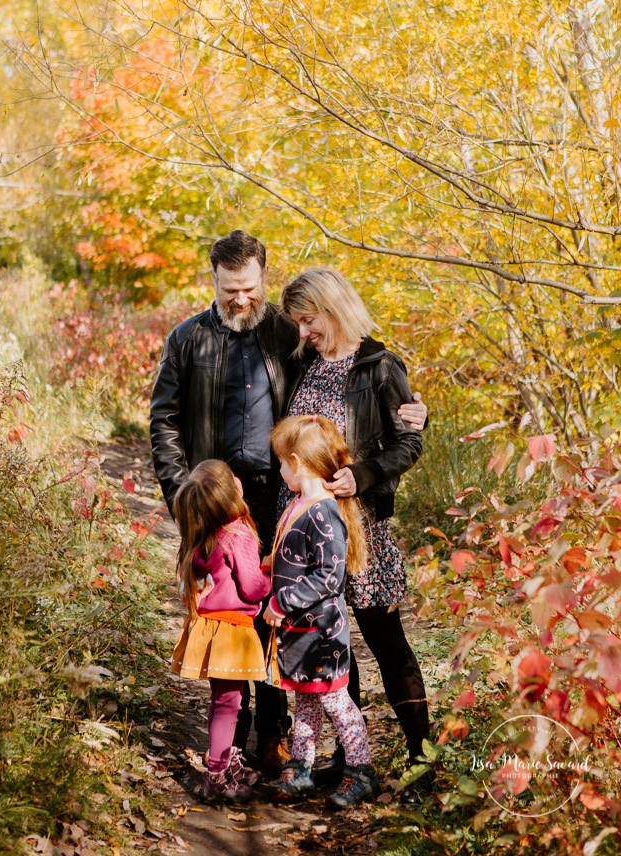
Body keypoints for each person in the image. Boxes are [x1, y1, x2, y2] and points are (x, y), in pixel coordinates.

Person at [150, 230, 427, 769]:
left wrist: (413, 416)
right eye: (230, 289)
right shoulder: (190, 339)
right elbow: (163, 420)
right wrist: (184, 499)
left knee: (350, 634)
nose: (240, 299)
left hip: (328, 512)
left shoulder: (289, 335)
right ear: (212, 280)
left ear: (264, 278)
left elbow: (379, 404)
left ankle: (349, 749)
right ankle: (248, 743)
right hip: (240, 506)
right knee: (254, 617)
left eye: (250, 288)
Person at [279, 268, 431, 804]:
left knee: (388, 645)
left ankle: (421, 762)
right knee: (331, 646)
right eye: (297, 322)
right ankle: (351, 762)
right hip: (308, 534)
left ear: (333, 307)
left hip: (361, 530)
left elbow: (407, 444)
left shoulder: (381, 366)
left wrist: (360, 476)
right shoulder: (306, 363)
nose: (303, 332)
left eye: (308, 319)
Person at [263, 415, 380, 810]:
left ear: (297, 462)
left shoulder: (323, 512)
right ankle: (301, 768)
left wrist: (282, 601)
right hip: (301, 636)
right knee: (307, 703)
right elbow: (297, 556)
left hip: (322, 637)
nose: (279, 470)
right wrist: (270, 566)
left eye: (281, 463)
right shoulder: (301, 503)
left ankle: (361, 771)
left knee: (338, 706)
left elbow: (329, 577)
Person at [170, 460, 271, 803]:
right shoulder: (237, 533)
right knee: (230, 703)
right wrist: (270, 571)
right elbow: (254, 587)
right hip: (232, 630)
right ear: (229, 493)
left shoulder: (203, 534)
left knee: (220, 699)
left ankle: (227, 762)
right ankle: (216, 774)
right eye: (233, 478)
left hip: (210, 627)